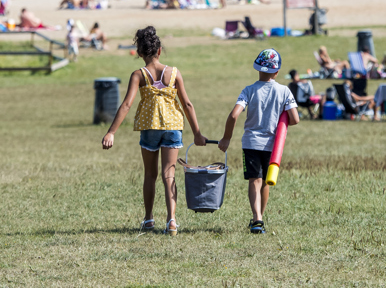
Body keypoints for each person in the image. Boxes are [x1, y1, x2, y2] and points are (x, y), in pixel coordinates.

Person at [102, 27, 207, 236]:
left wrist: (111, 132)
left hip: (149, 127)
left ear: (140, 52)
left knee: (150, 175)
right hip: (173, 127)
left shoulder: (138, 75)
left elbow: (126, 105)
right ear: (159, 50)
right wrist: (197, 133)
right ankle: (172, 221)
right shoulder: (174, 73)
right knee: (169, 174)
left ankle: (149, 220)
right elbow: (187, 103)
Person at [218, 49, 299, 234]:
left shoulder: (248, 90)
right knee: (265, 182)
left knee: (255, 180)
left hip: (251, 143)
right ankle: (258, 218)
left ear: (257, 68)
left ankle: (257, 219)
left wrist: (226, 138)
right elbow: (295, 119)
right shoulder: (284, 91)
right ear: (277, 72)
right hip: (273, 146)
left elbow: (234, 115)